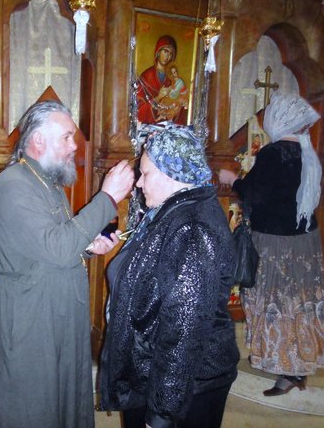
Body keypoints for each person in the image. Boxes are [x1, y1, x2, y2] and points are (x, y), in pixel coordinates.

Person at [0, 100, 134, 428]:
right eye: (66, 137)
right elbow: (57, 248)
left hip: (57, 310)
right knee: (32, 402)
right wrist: (107, 198)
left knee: (62, 397)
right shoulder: (13, 186)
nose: (74, 146)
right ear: (38, 140)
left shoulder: (47, 183)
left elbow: (52, 247)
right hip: (31, 314)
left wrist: (88, 247)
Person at [100, 125, 239, 428]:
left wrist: (161, 414)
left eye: (145, 173)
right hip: (154, 369)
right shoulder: (174, 209)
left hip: (187, 384)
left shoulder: (192, 229)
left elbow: (183, 331)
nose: (138, 183)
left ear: (171, 172)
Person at [219, 92, 324, 397]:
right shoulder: (307, 152)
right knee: (299, 301)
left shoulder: (274, 153)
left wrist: (232, 179)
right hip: (305, 241)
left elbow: (254, 195)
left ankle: (288, 369)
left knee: (276, 302)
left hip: (276, 244)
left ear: (280, 119)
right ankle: (298, 364)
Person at [136, 35, 187, 125]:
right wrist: (159, 97)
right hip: (149, 127)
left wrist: (182, 104)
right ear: (158, 52)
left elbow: (178, 104)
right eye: (165, 51)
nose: (167, 56)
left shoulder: (173, 78)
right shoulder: (146, 76)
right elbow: (138, 109)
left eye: (170, 54)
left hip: (169, 127)